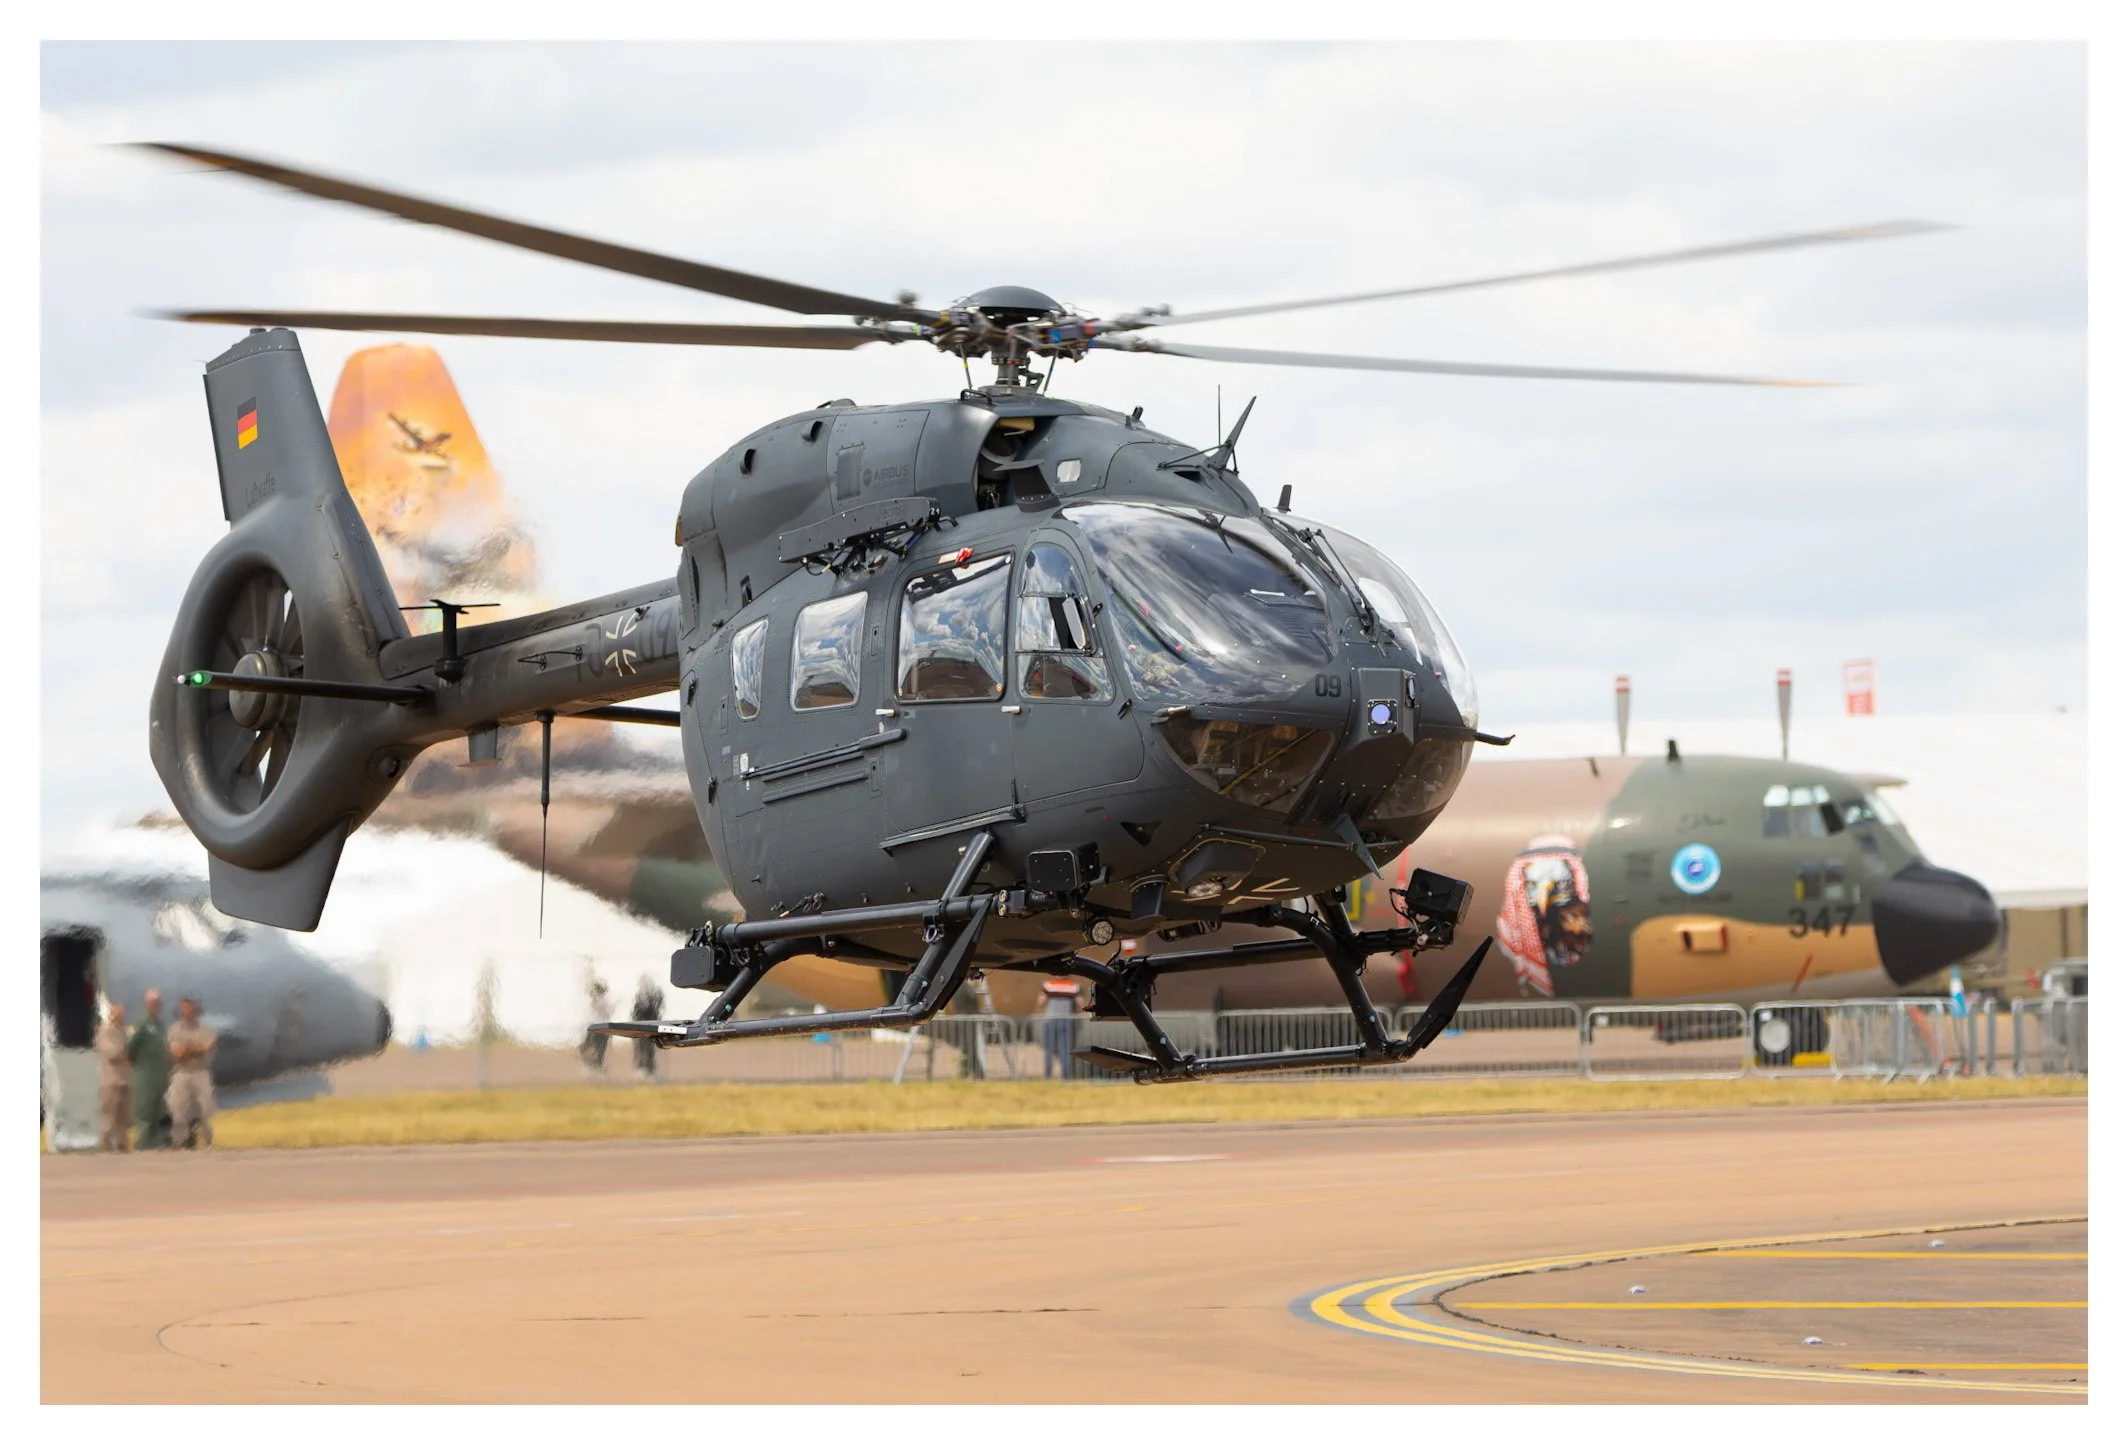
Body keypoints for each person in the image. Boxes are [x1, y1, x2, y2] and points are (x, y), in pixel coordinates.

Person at [165, 996, 219, 1150]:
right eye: (184, 1008)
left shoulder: (206, 1030)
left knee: (206, 1106)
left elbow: (209, 1047)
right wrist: (196, 1048)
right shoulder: (174, 1030)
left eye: (190, 1008)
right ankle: (179, 1141)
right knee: (177, 1107)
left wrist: (189, 1048)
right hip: (181, 1072)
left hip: (201, 1072)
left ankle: (208, 1140)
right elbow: (177, 1053)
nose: (187, 1011)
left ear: (196, 1009)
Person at [126, 988, 171, 1150]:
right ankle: (143, 1144)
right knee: (145, 1111)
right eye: (152, 1002)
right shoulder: (140, 1024)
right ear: (146, 1004)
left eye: (158, 1002)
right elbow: (129, 1046)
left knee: (157, 1111)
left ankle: (154, 1142)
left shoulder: (160, 1025)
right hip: (145, 1076)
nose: (155, 1005)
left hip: (159, 1076)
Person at [94, 1001, 132, 1153]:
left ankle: (122, 1144)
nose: (120, 1016)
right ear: (111, 1014)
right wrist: (126, 1048)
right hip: (111, 1081)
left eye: (122, 1013)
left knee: (123, 1117)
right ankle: (105, 1144)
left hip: (125, 1080)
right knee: (109, 1116)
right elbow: (112, 1053)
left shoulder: (125, 1031)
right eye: (117, 1013)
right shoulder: (105, 1031)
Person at [1040, 977, 1081, 1079]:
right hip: (1065, 1019)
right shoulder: (1073, 986)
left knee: (1049, 1049)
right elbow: (1080, 1004)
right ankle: (1065, 1076)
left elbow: (1041, 1001)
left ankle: (1048, 1076)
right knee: (1064, 1048)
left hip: (1050, 1019)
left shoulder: (1049, 984)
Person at [630, 975, 663, 1079]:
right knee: (640, 1050)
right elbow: (635, 1014)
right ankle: (641, 1069)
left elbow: (656, 1012)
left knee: (650, 1050)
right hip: (641, 1030)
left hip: (651, 1029)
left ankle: (650, 1070)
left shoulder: (654, 998)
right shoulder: (639, 998)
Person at [580, 978, 612, 1076]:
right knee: (584, 1049)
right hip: (594, 1028)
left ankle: (598, 1069)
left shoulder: (603, 1002)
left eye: (595, 990)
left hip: (602, 1029)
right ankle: (596, 1067)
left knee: (599, 1052)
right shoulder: (596, 1001)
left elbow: (605, 1013)